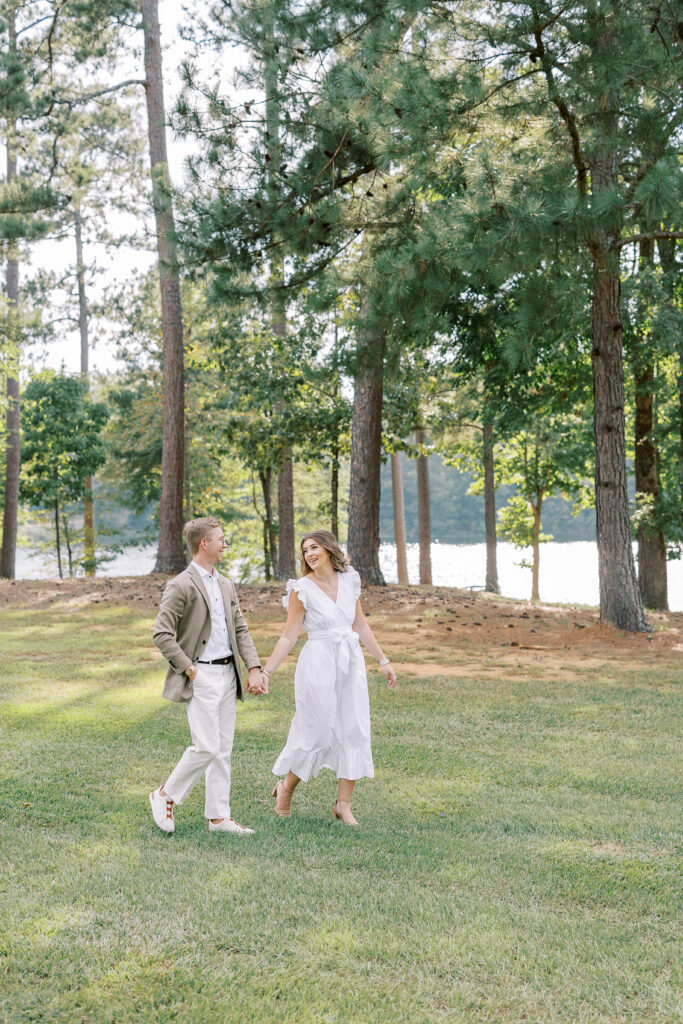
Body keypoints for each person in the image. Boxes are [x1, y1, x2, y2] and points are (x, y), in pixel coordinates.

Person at [262, 530, 396, 826]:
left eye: (314, 547)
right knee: (318, 732)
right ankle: (286, 787)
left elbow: (360, 625)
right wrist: (267, 671)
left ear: (329, 549)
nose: (309, 554)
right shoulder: (301, 589)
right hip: (318, 663)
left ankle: (343, 805)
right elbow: (288, 636)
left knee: (353, 728)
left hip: (350, 661)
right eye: (305, 550)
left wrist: (383, 660)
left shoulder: (350, 579)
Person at [149, 517, 267, 836]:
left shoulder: (226, 584)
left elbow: (239, 627)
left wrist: (253, 666)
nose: (224, 544)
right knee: (206, 746)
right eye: (221, 539)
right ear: (205, 544)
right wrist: (190, 669)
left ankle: (218, 817)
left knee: (223, 749)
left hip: (229, 674)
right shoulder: (181, 585)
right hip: (200, 675)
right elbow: (161, 634)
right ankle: (164, 795)